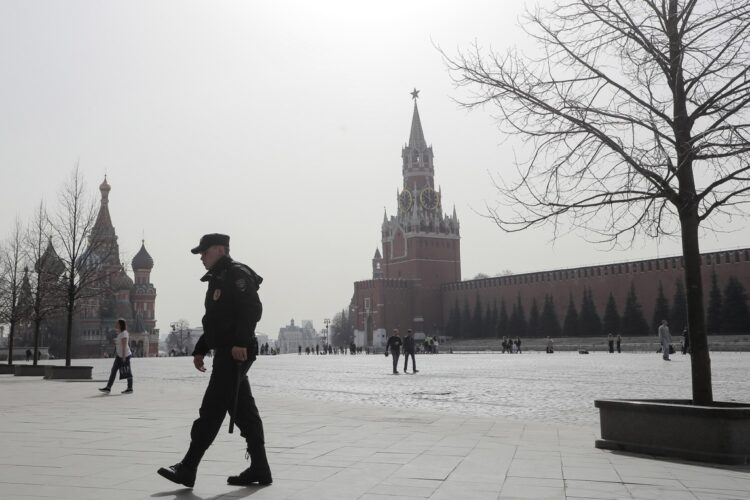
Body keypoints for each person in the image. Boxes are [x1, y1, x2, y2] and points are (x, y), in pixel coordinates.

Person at [158, 233, 271, 488]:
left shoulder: (236, 274)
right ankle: (260, 468)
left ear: (220, 250)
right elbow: (215, 320)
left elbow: (252, 308)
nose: (201, 257)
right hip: (228, 351)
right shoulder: (218, 277)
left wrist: (241, 341)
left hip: (235, 352)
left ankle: (188, 467)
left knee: (212, 408)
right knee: (244, 411)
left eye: (204, 252)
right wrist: (201, 348)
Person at [99, 318, 133, 394]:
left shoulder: (124, 333)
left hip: (125, 355)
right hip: (119, 356)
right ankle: (108, 388)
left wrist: (124, 357)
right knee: (113, 370)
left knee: (127, 371)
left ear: (121, 324)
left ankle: (130, 388)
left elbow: (124, 346)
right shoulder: (120, 333)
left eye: (117, 323)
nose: (116, 324)